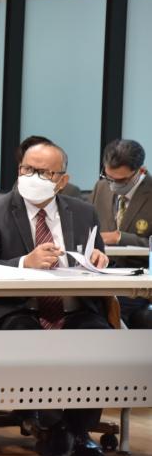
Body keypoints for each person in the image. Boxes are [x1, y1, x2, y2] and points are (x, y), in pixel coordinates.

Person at [0, 140, 109, 456]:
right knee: (29, 337)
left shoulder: (84, 212)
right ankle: (52, 426)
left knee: (99, 338)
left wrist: (98, 260)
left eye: (44, 173)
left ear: (62, 180)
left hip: (74, 309)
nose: (33, 177)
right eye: (27, 169)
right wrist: (23, 263)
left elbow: (95, 258)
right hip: (19, 309)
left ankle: (79, 431)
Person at [90, 139, 152, 329]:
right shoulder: (101, 187)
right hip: (99, 273)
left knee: (104, 312)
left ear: (140, 171)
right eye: (108, 177)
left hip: (138, 278)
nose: (113, 185)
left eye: (121, 181)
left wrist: (119, 237)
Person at [16, 136, 82, 198]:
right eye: (28, 168)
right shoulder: (14, 195)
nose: (35, 176)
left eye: (43, 171)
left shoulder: (70, 192)